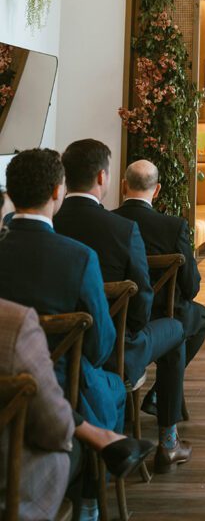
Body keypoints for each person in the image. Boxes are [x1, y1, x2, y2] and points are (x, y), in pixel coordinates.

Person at [55, 139, 191, 474]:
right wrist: (132, 330)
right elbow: (142, 298)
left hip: (57, 350)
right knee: (176, 327)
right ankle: (168, 439)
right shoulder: (123, 229)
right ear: (103, 178)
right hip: (116, 349)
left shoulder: (52, 225)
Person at [0, 150, 125, 433]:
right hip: (63, 388)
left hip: (4, 383)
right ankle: (98, 472)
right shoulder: (79, 258)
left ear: (11, 192)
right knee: (115, 386)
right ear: (58, 191)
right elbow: (101, 346)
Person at [0, 297, 154, 521]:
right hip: (12, 488)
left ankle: (100, 437)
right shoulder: (14, 323)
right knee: (77, 440)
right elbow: (56, 431)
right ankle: (90, 508)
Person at [113, 159, 205, 415]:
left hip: (118, 317)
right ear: (157, 190)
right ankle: (159, 391)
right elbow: (191, 286)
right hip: (166, 316)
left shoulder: (109, 224)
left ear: (123, 186)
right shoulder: (173, 227)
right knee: (203, 317)